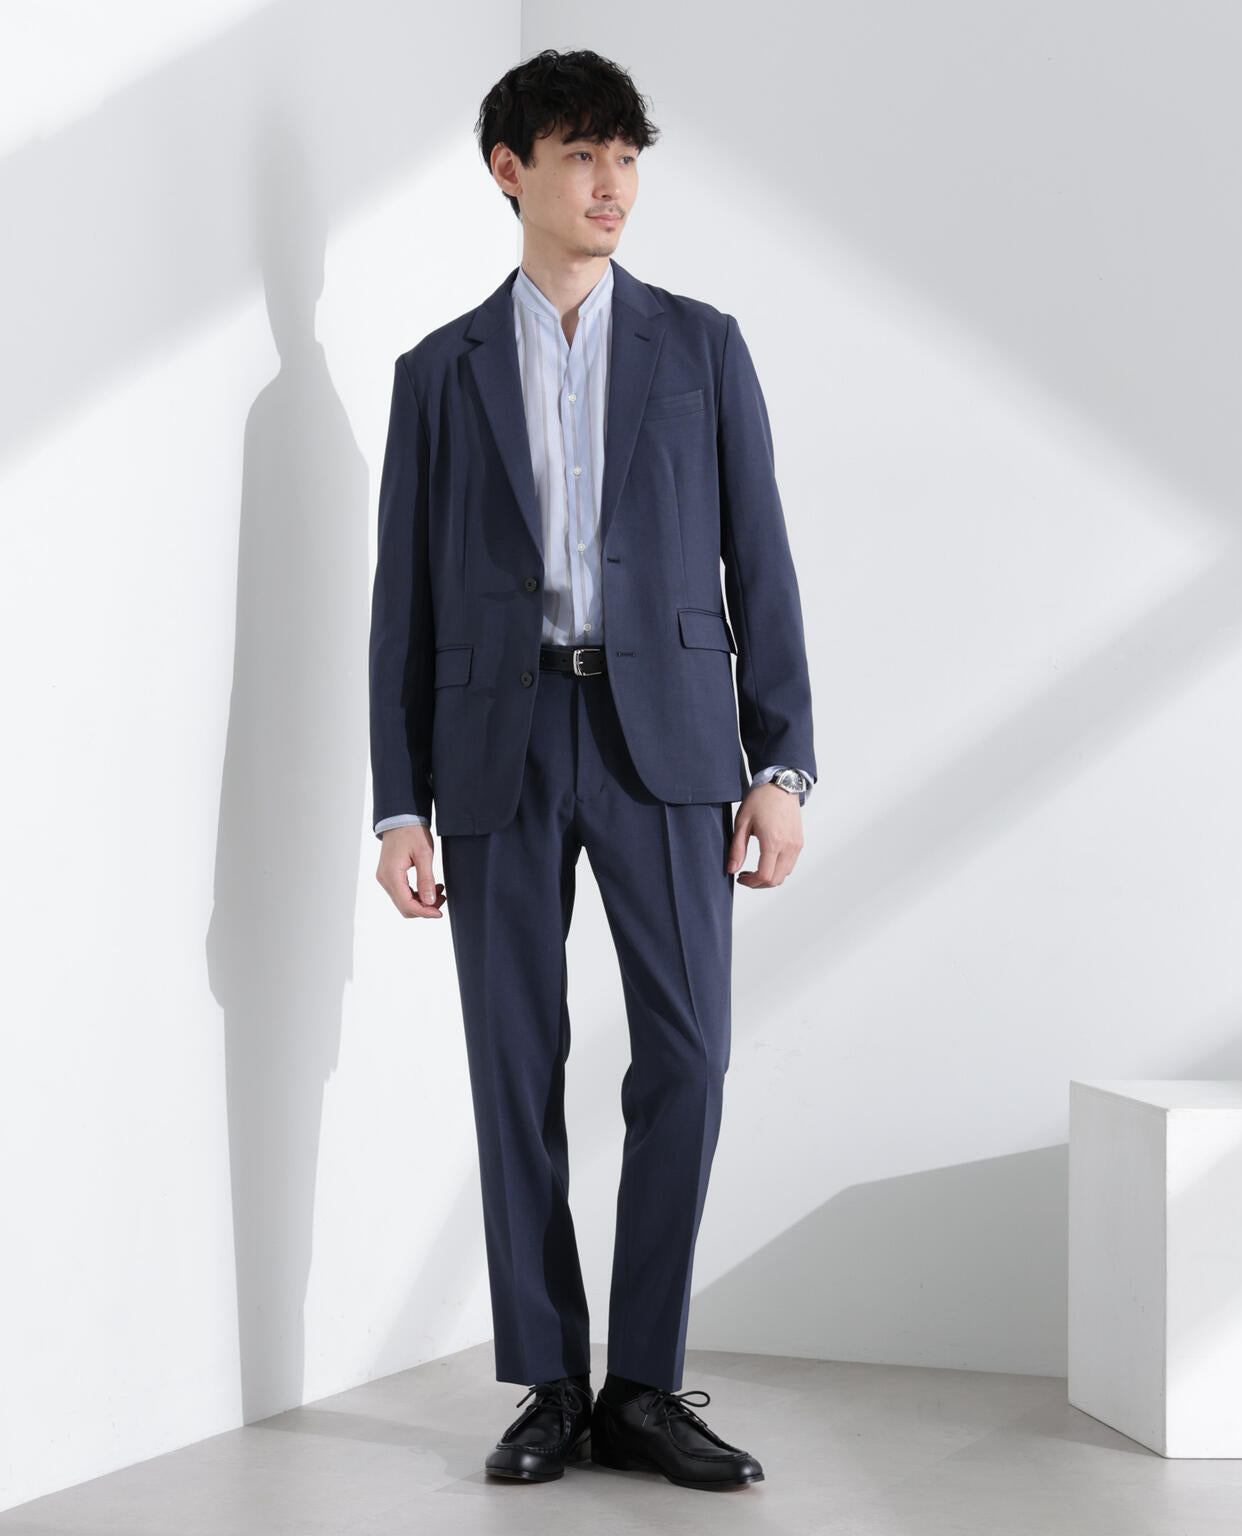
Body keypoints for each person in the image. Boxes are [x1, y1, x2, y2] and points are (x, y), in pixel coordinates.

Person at [368, 47, 818, 1492]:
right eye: (581, 155)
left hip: (669, 748)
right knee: (515, 1063)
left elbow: (762, 564)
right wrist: (397, 803)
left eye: (626, 155)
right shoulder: (437, 373)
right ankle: (550, 1385)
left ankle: (645, 1385)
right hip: (494, 750)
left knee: (688, 1055)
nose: (613, 182)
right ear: (511, 172)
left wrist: (782, 764)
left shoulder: (704, 348)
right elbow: (401, 606)